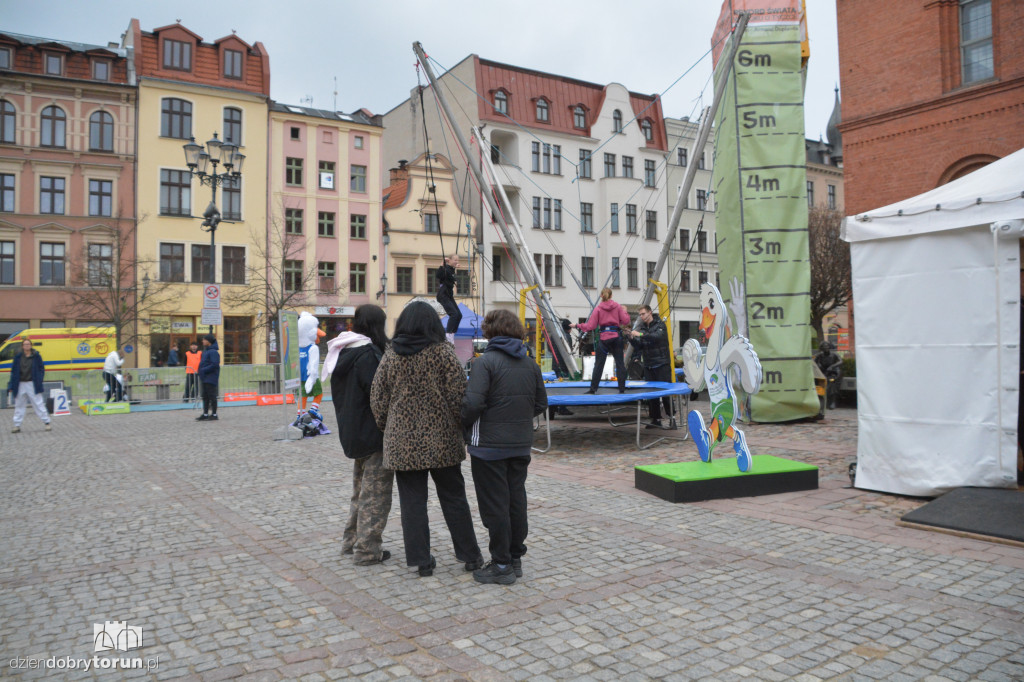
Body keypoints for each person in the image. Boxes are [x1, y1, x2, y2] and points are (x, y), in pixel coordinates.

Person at [371, 301, 483, 577]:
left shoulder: (391, 355)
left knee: (412, 503)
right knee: (454, 498)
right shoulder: (443, 353)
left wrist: (389, 427)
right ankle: (470, 555)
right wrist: (458, 427)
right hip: (442, 440)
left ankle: (420, 560)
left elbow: (378, 398)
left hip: (402, 442)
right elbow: (459, 396)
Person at [462, 309, 547, 585]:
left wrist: (464, 425)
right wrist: (517, 420)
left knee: (495, 505)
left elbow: (473, 403)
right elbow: (541, 403)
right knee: (515, 500)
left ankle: (501, 564)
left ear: (490, 331)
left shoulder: (485, 363)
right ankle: (514, 557)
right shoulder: (531, 364)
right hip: (519, 444)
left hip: (488, 446)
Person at [323, 304, 394, 566]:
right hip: (373, 435)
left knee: (361, 491)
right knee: (375, 495)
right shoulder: (368, 356)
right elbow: (379, 397)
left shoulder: (343, 352)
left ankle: (351, 541)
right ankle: (367, 550)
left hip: (353, 433)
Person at [575, 288, 630, 394]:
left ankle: (593, 389)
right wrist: (624, 312)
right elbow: (625, 321)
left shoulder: (598, 309)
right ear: (611, 296)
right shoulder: (617, 307)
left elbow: (590, 326)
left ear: (601, 296)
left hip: (604, 339)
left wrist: (578, 325)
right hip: (616, 337)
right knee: (620, 363)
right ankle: (622, 389)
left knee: (599, 364)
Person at [629, 305, 675, 429]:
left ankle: (672, 419)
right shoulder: (643, 328)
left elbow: (657, 337)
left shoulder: (660, 325)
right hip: (649, 365)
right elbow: (640, 346)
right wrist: (632, 339)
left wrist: (640, 334)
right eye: (640, 315)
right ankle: (655, 419)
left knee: (666, 393)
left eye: (643, 314)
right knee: (651, 394)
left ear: (650, 312)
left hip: (662, 364)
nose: (641, 316)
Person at [7, 338, 51, 433]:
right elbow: (13, 372)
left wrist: (39, 379)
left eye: (28, 344)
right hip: (20, 383)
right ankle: (17, 425)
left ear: (31, 346)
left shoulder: (36, 356)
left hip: (32, 383)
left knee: (38, 403)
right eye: (25, 344)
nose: (27, 346)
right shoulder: (18, 357)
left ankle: (47, 422)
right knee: (19, 405)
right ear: (22, 346)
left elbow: (41, 369)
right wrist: (11, 385)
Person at [436, 254, 462, 343]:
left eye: (457, 260)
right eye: (455, 260)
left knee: (459, 315)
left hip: (449, 295)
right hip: (443, 295)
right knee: (453, 314)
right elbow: (438, 275)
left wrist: (455, 267)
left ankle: (452, 333)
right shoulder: (445, 269)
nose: (456, 262)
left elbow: (451, 273)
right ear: (449, 260)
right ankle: (448, 335)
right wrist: (442, 263)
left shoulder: (451, 269)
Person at [196, 334, 220, 421]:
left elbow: (215, 364)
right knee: (205, 396)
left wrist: (203, 370)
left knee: (212, 396)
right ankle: (205, 414)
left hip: (210, 377)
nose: (202, 341)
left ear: (209, 341)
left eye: (204, 340)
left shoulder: (213, 352)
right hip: (205, 377)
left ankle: (214, 414)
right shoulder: (206, 351)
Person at [815, 341, 843, 410]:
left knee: (832, 383)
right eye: (824, 347)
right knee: (819, 383)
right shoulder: (819, 355)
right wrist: (818, 365)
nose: (826, 348)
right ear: (821, 348)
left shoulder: (834, 354)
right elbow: (814, 362)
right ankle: (821, 401)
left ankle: (833, 402)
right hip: (824, 373)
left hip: (834, 373)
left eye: (827, 346)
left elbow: (840, 361)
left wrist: (832, 366)